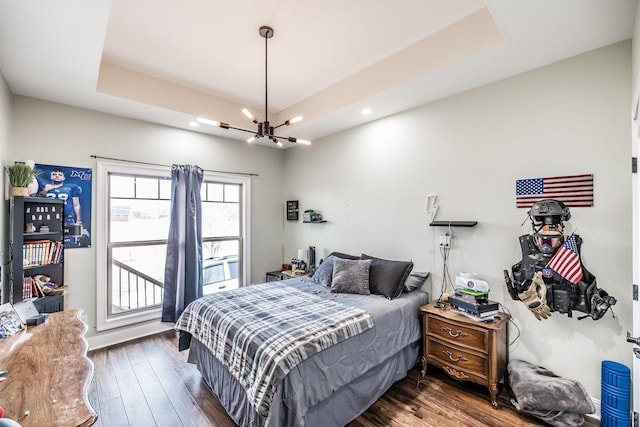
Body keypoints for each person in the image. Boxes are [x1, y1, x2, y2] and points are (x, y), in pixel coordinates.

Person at [504, 199, 616, 320]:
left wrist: (599, 301)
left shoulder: (573, 246)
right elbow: (517, 286)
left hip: (571, 323)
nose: (548, 229)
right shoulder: (526, 244)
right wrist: (523, 294)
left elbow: (589, 288)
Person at [38, 168, 86, 246]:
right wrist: (45, 190)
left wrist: (78, 221)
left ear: (64, 178)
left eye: (60, 175)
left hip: (67, 219)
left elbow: (76, 205)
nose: (57, 176)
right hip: (49, 219)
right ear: (50, 176)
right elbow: (38, 199)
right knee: (49, 243)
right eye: (54, 174)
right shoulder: (45, 187)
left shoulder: (71, 188)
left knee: (68, 243)